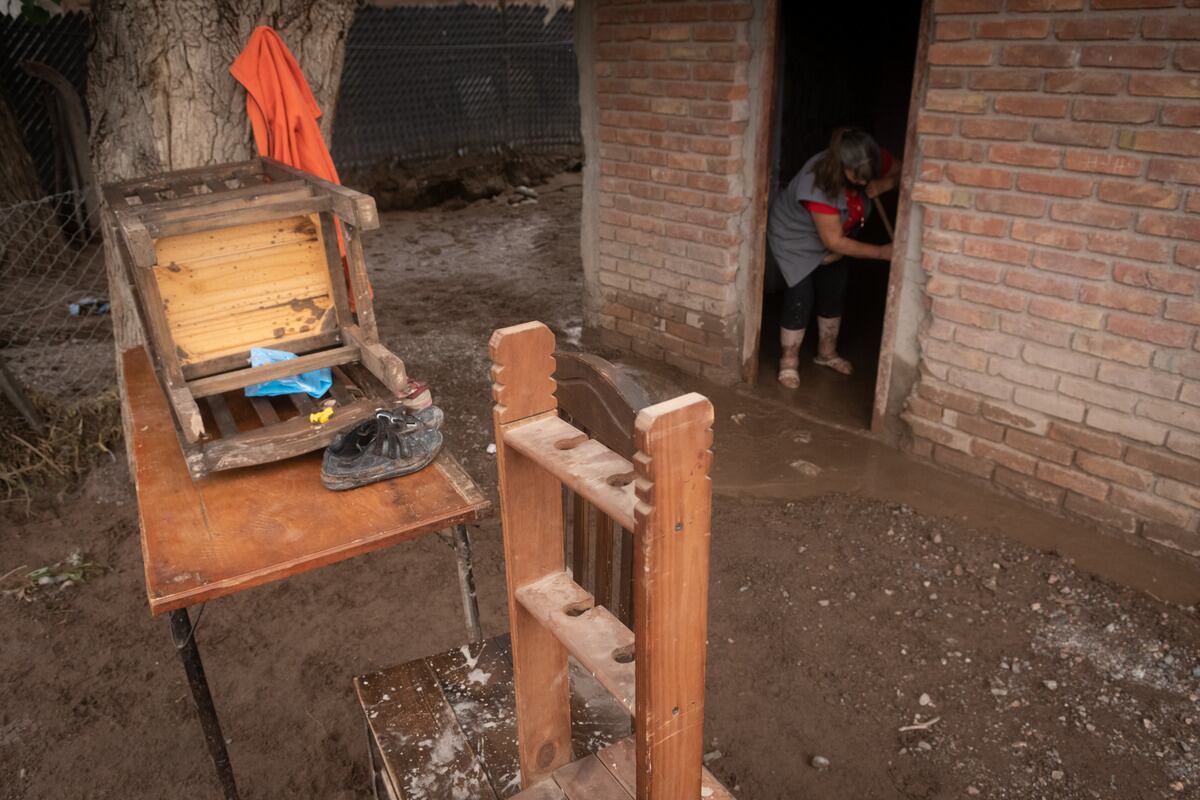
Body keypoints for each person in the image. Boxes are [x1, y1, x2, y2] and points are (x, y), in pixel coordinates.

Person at [766, 127, 901, 388]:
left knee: (833, 288)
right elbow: (833, 241)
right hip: (796, 239)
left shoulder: (870, 159)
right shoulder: (817, 182)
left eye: (868, 177)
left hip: (838, 232)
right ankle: (788, 362)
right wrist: (883, 252)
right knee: (801, 296)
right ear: (841, 166)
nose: (863, 183)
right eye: (857, 178)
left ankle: (826, 354)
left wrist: (886, 183)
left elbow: (903, 169)